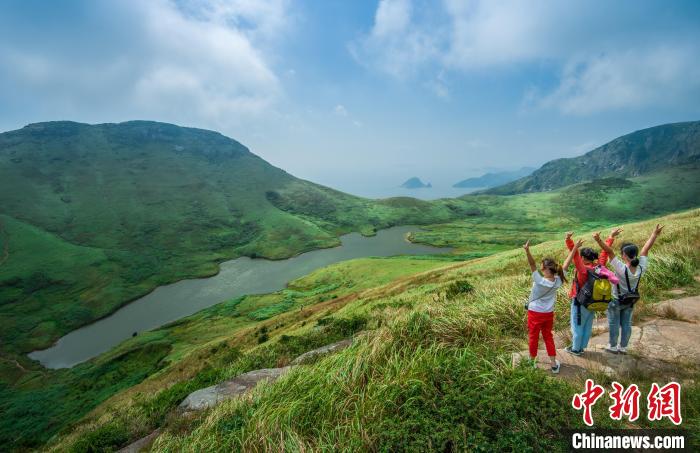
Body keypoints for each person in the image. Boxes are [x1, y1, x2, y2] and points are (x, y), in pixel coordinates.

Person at [593, 224, 664, 354]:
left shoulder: (621, 268)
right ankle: (623, 347)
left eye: (622, 254)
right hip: (630, 301)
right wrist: (654, 234)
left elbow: (609, 251)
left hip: (616, 300)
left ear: (624, 255)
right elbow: (645, 250)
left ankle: (613, 346)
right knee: (626, 324)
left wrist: (599, 240)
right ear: (635, 255)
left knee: (614, 324)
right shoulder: (641, 267)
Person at [523, 239, 580, 373]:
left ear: (545, 269)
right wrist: (575, 247)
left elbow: (531, 264)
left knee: (533, 336)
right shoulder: (558, 280)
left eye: (542, 267)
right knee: (548, 337)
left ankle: (532, 362)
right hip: (548, 314)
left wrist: (527, 250)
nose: (540, 268)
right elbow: (567, 263)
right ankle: (554, 364)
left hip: (534, 313)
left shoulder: (539, 280)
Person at [564, 230, 621, 356]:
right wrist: (610, 237)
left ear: (584, 258)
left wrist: (569, 241)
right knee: (587, 325)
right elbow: (604, 253)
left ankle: (575, 349)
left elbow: (575, 256)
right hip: (594, 301)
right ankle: (582, 347)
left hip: (580, 302)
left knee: (577, 325)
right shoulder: (599, 267)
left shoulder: (583, 269)